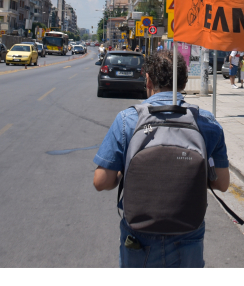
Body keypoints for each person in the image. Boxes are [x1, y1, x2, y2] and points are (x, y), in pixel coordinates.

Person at [92, 49, 230, 268]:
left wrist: (125, 171)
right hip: (188, 231)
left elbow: (101, 181)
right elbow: (222, 184)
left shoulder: (128, 120)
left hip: (139, 235)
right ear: (184, 82)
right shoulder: (207, 122)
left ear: (148, 80)